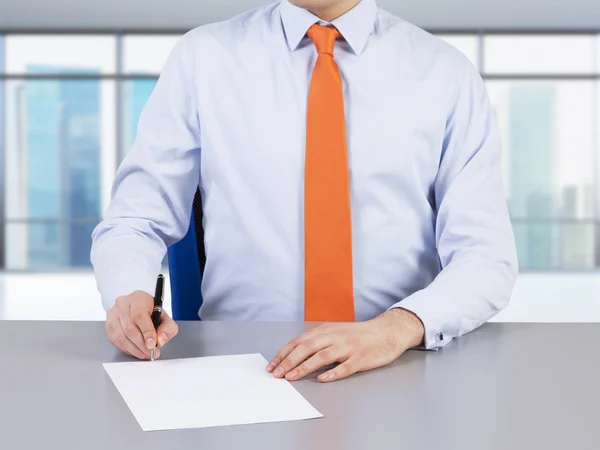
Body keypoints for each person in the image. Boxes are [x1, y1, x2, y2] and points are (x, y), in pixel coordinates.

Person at [92, 0, 518, 383]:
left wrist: (397, 328)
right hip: (240, 372)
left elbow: (486, 257)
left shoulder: (445, 73)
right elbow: (134, 219)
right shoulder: (203, 58)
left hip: (398, 363)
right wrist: (128, 292)